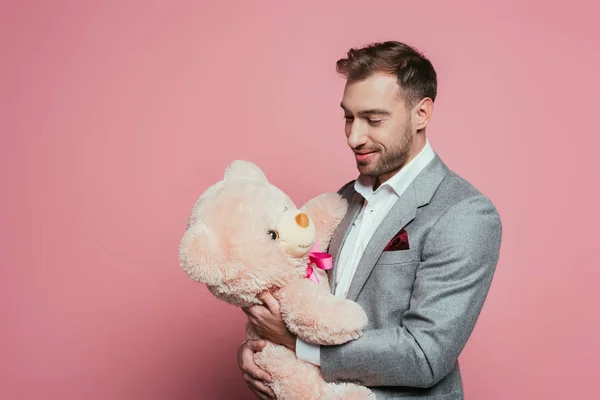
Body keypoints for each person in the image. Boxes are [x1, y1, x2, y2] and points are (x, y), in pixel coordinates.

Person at [238, 41, 502, 399]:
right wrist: (258, 350)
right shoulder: (342, 199)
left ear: (421, 113)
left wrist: (295, 344)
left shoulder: (464, 214)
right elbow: (302, 291)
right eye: (348, 117)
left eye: (373, 120)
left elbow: (424, 355)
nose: (354, 137)